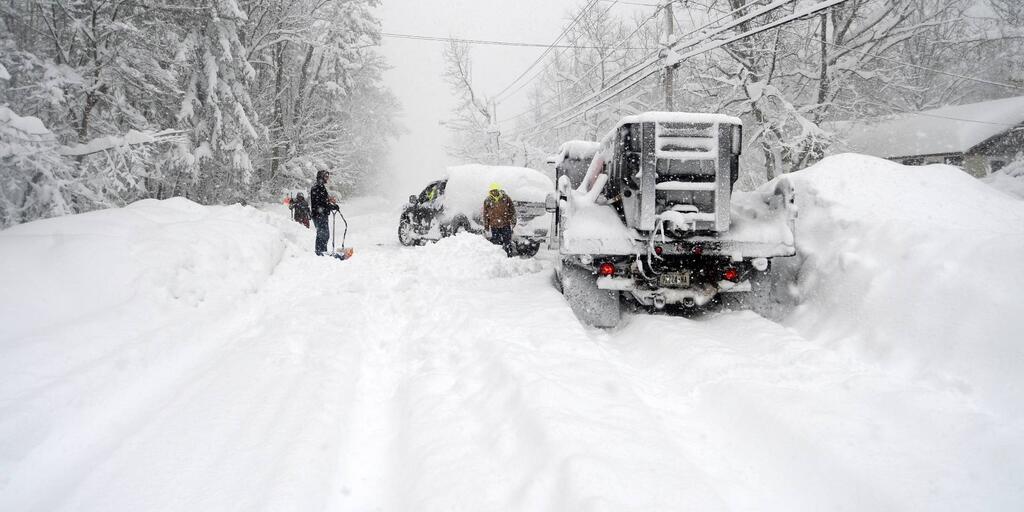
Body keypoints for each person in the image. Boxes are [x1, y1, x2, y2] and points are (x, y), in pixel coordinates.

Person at [482, 182, 517, 257]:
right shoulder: (488, 200)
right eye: (492, 191)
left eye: (495, 190)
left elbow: (512, 210)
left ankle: (509, 255)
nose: (494, 192)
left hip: (505, 224)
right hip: (494, 225)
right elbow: (485, 214)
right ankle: (498, 257)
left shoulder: (506, 198)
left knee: (507, 241)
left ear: (498, 191)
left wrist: (513, 220)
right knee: (496, 243)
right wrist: (486, 226)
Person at [310, 170, 339, 255]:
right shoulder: (317, 187)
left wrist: (331, 204)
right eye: (326, 176)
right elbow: (318, 203)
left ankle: (322, 252)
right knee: (323, 234)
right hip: (319, 215)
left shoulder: (321, 187)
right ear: (321, 177)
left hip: (322, 214)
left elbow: (323, 201)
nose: (327, 178)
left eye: (327, 176)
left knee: (324, 234)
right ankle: (320, 252)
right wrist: (330, 206)